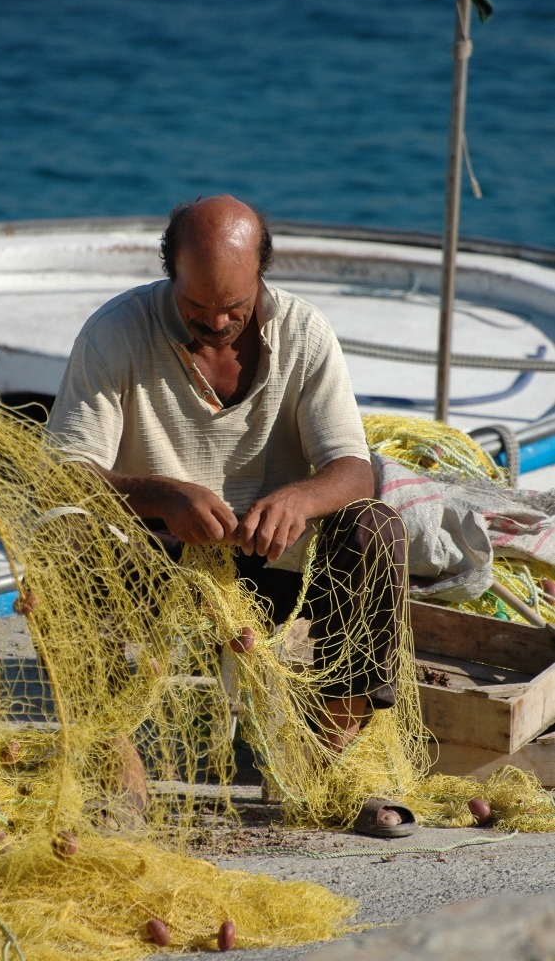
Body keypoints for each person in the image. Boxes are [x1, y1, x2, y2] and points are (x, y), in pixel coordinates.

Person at [46, 194, 407, 759]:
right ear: (170, 272)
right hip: (157, 566)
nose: (216, 322)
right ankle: (110, 743)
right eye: (196, 304)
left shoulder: (305, 333)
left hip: (277, 566)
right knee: (63, 534)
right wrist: (164, 494)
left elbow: (353, 470)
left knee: (375, 527)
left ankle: (334, 748)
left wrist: (298, 499)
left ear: (261, 272)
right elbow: (66, 473)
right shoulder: (115, 332)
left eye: (234, 305)